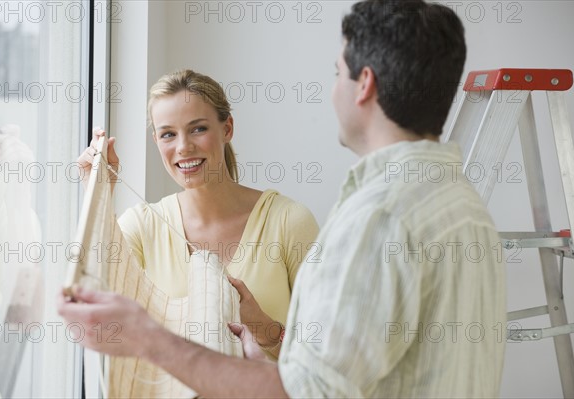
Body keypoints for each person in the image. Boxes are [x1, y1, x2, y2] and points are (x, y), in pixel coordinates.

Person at [59, 1, 507, 397]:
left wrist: (151, 339)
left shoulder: (380, 219)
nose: (183, 147)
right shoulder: (462, 203)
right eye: (167, 134)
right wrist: (262, 360)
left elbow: (303, 394)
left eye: (338, 73)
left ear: (364, 84)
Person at [76, 69, 319, 358]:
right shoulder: (143, 226)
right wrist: (99, 191)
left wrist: (262, 327)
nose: (183, 147)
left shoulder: (289, 222)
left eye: (198, 129)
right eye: (168, 134)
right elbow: (90, 295)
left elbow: (328, 353)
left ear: (227, 128)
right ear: (156, 140)